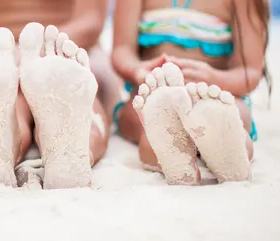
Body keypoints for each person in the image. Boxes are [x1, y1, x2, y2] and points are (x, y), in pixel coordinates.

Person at [0, 0, 121, 189]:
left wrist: (31, 52)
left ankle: (1, 151)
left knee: (16, 107)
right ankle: (76, 156)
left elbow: (90, 24)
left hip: (65, 50)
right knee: (79, 109)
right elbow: (91, 20)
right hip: (2, 61)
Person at [112, 0, 270, 185]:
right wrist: (139, 71)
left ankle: (230, 150)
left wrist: (213, 77)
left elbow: (249, 72)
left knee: (235, 113)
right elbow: (122, 50)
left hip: (215, 92)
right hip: (153, 92)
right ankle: (170, 151)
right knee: (139, 117)